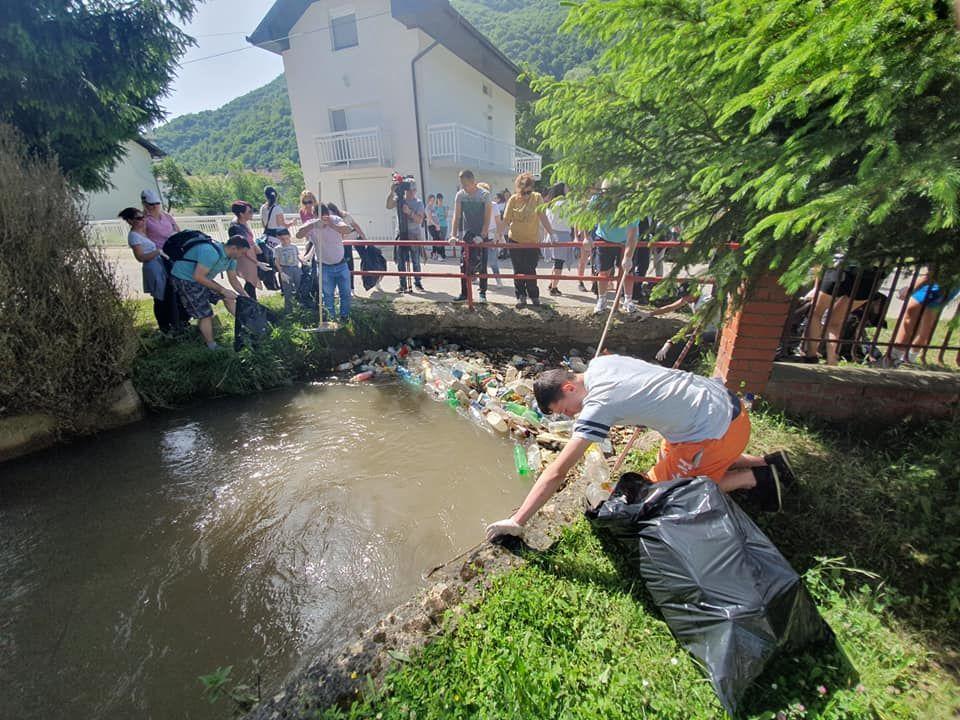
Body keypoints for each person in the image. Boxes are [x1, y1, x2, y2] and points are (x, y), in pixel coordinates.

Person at [485, 356, 797, 542]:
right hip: (729, 407)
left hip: (719, 431)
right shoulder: (601, 364)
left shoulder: (597, 405)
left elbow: (557, 471)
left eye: (566, 410)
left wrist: (518, 520)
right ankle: (766, 460)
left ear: (569, 388)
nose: (572, 416)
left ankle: (757, 479)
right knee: (665, 456)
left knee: (671, 491)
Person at [170, 235, 249, 350]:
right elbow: (198, 277)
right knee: (205, 314)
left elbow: (233, 279)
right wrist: (223, 290)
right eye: (242, 253)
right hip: (186, 279)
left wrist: (245, 296)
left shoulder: (232, 259)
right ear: (233, 248)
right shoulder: (210, 252)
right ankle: (211, 345)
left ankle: (245, 325)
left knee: (229, 298)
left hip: (202, 278)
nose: (243, 256)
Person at [803, 262, 883, 365]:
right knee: (835, 322)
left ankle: (811, 355)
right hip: (870, 276)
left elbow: (824, 255)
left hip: (841, 268)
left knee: (816, 313)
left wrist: (816, 286)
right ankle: (832, 361)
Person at [502, 173, 556, 308]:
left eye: (529, 191)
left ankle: (534, 295)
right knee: (518, 270)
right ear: (518, 189)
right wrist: (498, 236)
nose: (526, 195)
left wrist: (551, 233)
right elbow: (506, 220)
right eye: (523, 192)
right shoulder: (513, 200)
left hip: (532, 241)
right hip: (515, 240)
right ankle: (521, 296)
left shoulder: (537, 198)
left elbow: (542, 216)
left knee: (530, 269)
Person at [119, 206, 173, 332]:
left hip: (159, 264)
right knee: (159, 298)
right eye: (138, 218)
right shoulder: (133, 236)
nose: (142, 220)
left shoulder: (142, 231)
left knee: (167, 294)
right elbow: (140, 257)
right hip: (152, 267)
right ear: (130, 221)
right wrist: (157, 252)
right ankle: (164, 327)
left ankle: (172, 322)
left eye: (143, 217)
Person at [299, 204, 353, 322]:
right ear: (315, 216)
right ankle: (331, 319)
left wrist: (331, 225)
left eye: (326, 215)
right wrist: (312, 225)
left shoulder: (335, 219)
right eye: (321, 217)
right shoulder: (311, 224)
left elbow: (348, 229)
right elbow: (298, 234)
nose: (324, 218)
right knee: (327, 296)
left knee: (346, 294)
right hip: (324, 267)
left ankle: (344, 317)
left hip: (341, 265)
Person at [890, 270, 959, 364]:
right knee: (926, 326)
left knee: (910, 319)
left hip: (933, 286)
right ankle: (909, 357)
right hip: (948, 289)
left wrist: (910, 289)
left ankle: (894, 356)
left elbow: (931, 274)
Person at [593, 180, 640, 315]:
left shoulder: (630, 204)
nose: (605, 196)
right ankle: (602, 300)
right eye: (603, 192)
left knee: (628, 271)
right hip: (604, 237)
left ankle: (628, 300)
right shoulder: (597, 200)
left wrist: (628, 257)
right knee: (603, 271)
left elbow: (632, 234)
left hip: (626, 239)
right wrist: (585, 237)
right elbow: (585, 219)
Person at [450, 170, 492, 304]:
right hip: (468, 234)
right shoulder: (460, 195)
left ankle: (482, 293)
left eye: (466, 185)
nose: (464, 188)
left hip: (482, 234)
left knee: (482, 266)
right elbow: (456, 217)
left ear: (473, 182)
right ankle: (465, 293)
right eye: (462, 185)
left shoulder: (484, 195)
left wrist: (483, 234)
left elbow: (487, 218)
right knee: (464, 264)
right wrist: (453, 235)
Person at [386, 178, 426, 293]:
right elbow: (388, 205)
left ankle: (418, 283)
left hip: (414, 235)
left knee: (415, 261)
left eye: (412, 190)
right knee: (401, 261)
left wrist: (409, 212)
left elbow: (419, 220)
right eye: (408, 190)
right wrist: (392, 192)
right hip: (400, 234)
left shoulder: (418, 203)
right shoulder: (399, 200)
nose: (410, 192)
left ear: (415, 190)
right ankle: (402, 284)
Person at [544, 183, 576, 296]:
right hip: (562, 235)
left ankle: (551, 283)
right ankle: (554, 287)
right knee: (559, 263)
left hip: (551, 234)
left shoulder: (550, 204)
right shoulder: (566, 203)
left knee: (556, 262)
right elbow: (573, 219)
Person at [227, 200, 263, 300]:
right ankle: (251, 304)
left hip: (250, 256)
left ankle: (252, 303)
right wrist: (257, 262)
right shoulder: (236, 227)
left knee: (251, 282)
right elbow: (244, 248)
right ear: (241, 214)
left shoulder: (243, 223)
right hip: (245, 258)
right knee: (250, 282)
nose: (252, 213)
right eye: (250, 212)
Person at [272, 228, 302, 313]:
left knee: (299, 287)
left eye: (286, 238)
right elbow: (276, 261)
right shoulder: (278, 248)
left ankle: (301, 306)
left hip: (296, 268)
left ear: (289, 237)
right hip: (285, 269)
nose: (285, 241)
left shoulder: (294, 246)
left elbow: (298, 256)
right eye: (282, 239)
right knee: (287, 290)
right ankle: (288, 310)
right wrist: (281, 272)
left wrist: (303, 261)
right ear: (278, 238)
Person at [479, 183, 503, 284]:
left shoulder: (494, 205)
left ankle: (498, 279)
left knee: (493, 261)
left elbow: (498, 222)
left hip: (491, 235)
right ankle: (478, 279)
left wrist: (497, 236)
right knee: (479, 259)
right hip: (480, 235)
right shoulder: (477, 205)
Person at [427, 194, 443, 259]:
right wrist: (436, 225)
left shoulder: (433, 208)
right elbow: (430, 218)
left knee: (436, 239)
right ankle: (438, 254)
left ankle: (434, 253)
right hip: (431, 226)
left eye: (433, 200)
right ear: (429, 200)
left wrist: (438, 224)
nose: (433, 201)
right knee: (436, 239)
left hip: (436, 226)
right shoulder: (428, 208)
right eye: (431, 200)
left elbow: (435, 217)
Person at [434, 193, 448, 259]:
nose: (440, 200)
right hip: (438, 225)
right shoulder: (435, 207)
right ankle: (439, 254)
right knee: (439, 240)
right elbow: (434, 216)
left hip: (444, 225)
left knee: (443, 240)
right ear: (437, 199)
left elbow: (446, 216)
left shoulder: (444, 207)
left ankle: (443, 254)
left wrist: (440, 217)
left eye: (441, 199)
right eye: (439, 199)